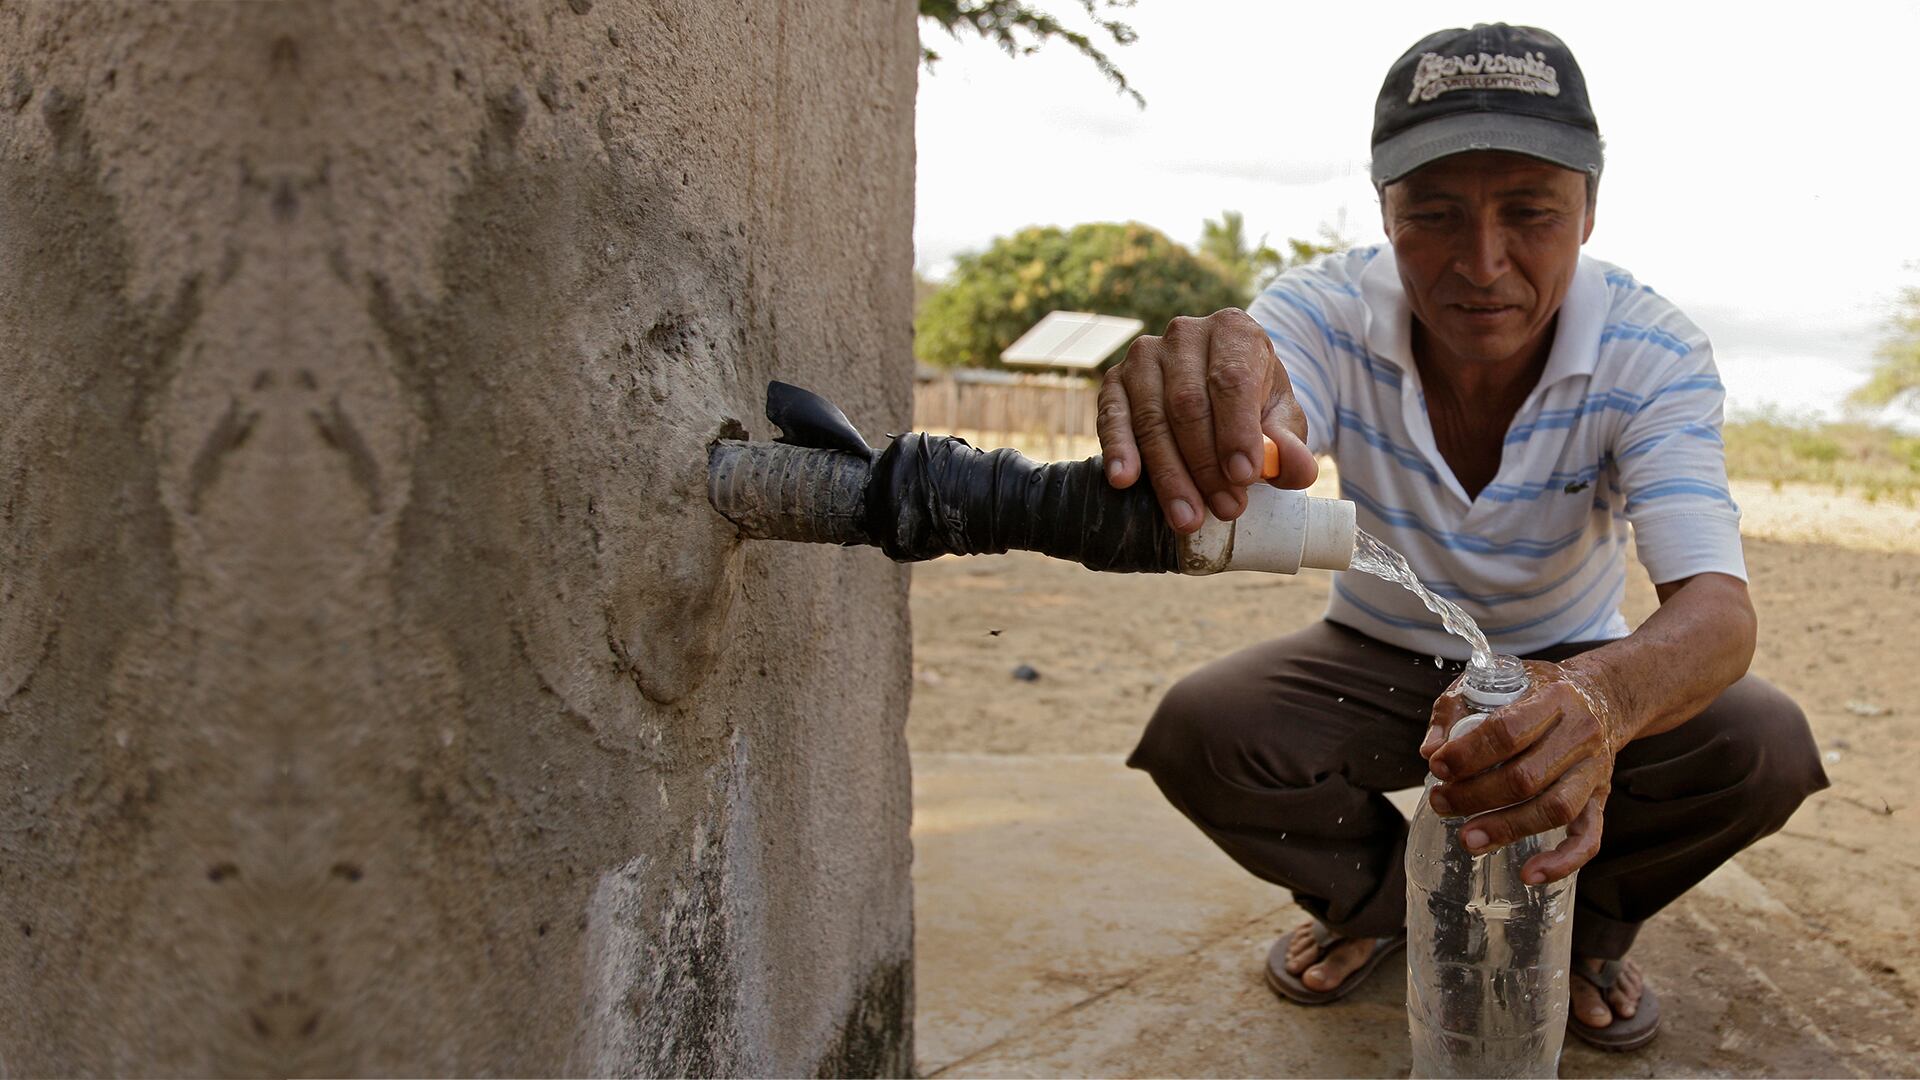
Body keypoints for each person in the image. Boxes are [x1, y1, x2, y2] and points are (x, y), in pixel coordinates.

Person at [1098, 23, 1828, 1053]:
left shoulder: (1652, 351)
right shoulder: (1327, 309)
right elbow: (1272, 391)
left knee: (1764, 746)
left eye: (1530, 212)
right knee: (1203, 731)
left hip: (1571, 653)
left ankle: (1583, 929)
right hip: (1375, 649)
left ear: (1588, 213)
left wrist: (1598, 704)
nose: (1482, 264)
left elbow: (1717, 614)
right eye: (1434, 214)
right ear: (1386, 215)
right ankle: (1382, 910)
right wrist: (1231, 408)